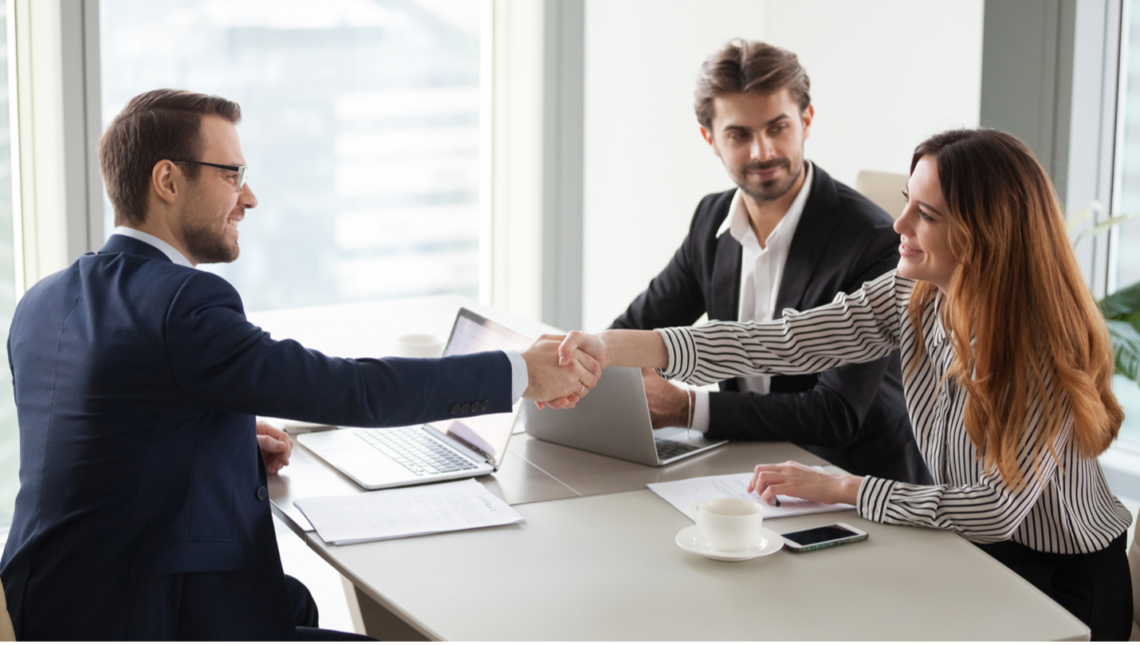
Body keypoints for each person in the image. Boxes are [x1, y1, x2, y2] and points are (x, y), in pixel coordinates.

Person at [0, 89, 598, 642]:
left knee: (296, 604)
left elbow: (98, 445)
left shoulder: (43, 300)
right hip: (147, 616)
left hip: (50, 602)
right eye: (231, 174)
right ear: (167, 180)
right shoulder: (182, 302)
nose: (249, 197)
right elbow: (348, 390)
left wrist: (222, 442)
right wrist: (519, 372)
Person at [559, 129, 1134, 640]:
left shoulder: (1034, 348)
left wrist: (840, 489)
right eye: (907, 202)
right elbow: (781, 340)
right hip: (971, 553)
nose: (898, 225)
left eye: (925, 216)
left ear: (987, 233)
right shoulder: (912, 296)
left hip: (1064, 582)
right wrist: (609, 347)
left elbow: (993, 512)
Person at [609, 39, 928, 484]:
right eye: (739, 134)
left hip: (855, 484)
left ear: (806, 120)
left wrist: (686, 407)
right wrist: (584, 359)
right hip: (744, 473)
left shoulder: (873, 242)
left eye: (778, 127)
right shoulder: (711, 219)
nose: (762, 152)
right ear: (710, 139)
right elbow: (634, 331)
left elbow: (834, 414)